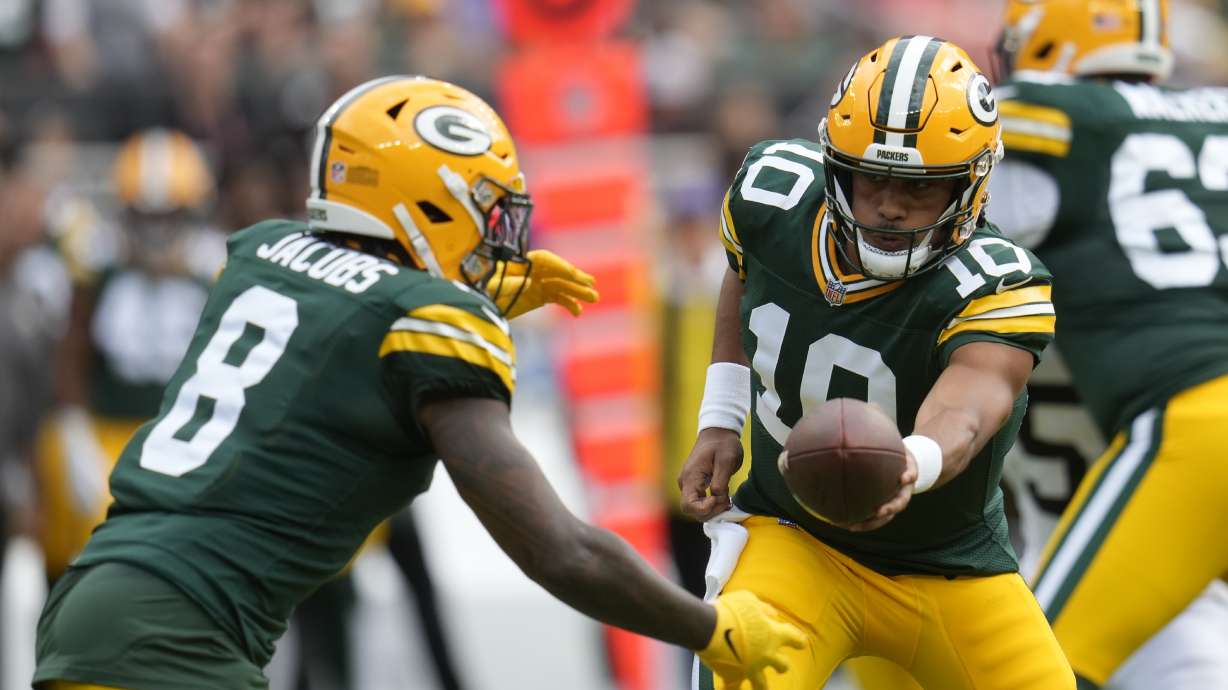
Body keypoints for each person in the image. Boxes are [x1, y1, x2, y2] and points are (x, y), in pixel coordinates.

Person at [31, 76, 804, 690]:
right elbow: (558, 549)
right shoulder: (429, 321)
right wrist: (711, 628)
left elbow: (342, 299)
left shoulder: (263, 253)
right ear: (428, 202)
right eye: (485, 214)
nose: (498, 241)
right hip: (178, 636)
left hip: (97, 603)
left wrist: (470, 287)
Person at [677, 37, 1075, 689]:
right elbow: (743, 275)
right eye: (873, 177)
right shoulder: (773, 198)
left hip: (949, 568)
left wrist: (907, 463)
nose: (890, 205)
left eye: (920, 188)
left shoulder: (997, 282)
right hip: (793, 538)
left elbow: (970, 406)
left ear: (968, 186)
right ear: (837, 167)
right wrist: (720, 417)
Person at [989, 1, 1228, 687]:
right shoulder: (1210, 117)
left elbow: (953, 143)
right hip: (1175, 525)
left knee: (1032, 671)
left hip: (1191, 431)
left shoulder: (1055, 125)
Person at [37, 128, 226, 583]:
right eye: (145, 217)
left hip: (185, 441)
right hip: (105, 434)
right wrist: (74, 428)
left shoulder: (217, 270)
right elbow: (72, 349)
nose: (158, 232)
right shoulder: (96, 265)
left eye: (170, 217)